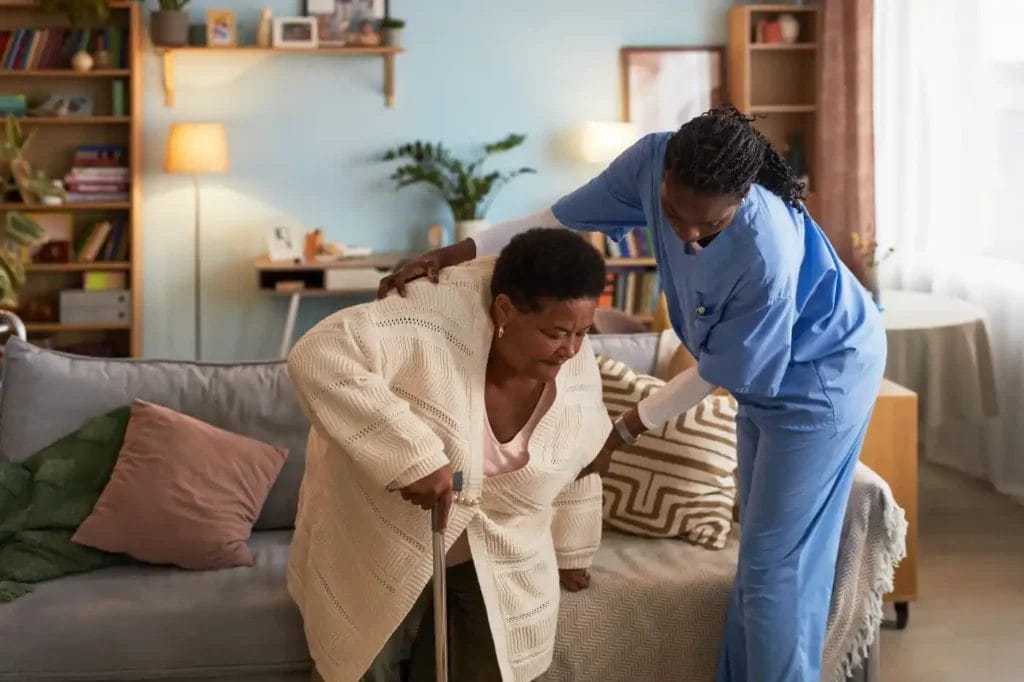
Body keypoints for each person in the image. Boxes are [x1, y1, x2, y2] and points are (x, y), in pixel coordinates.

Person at [379, 107, 887, 682]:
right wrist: (455, 253)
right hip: (761, 377)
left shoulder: (766, 252)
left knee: (781, 569)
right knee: (762, 562)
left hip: (823, 378)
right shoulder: (650, 159)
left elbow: (717, 369)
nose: (687, 236)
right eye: (672, 214)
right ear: (665, 174)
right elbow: (554, 218)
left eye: (709, 226)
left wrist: (622, 432)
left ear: (741, 199)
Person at [287, 228, 610, 682]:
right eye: (557, 333)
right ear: (505, 310)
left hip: (497, 551)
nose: (572, 348)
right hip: (385, 537)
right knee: (363, 669)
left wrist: (573, 548)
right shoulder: (427, 317)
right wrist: (412, 458)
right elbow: (318, 354)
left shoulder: (573, 354)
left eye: (583, 332)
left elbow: (579, 446)